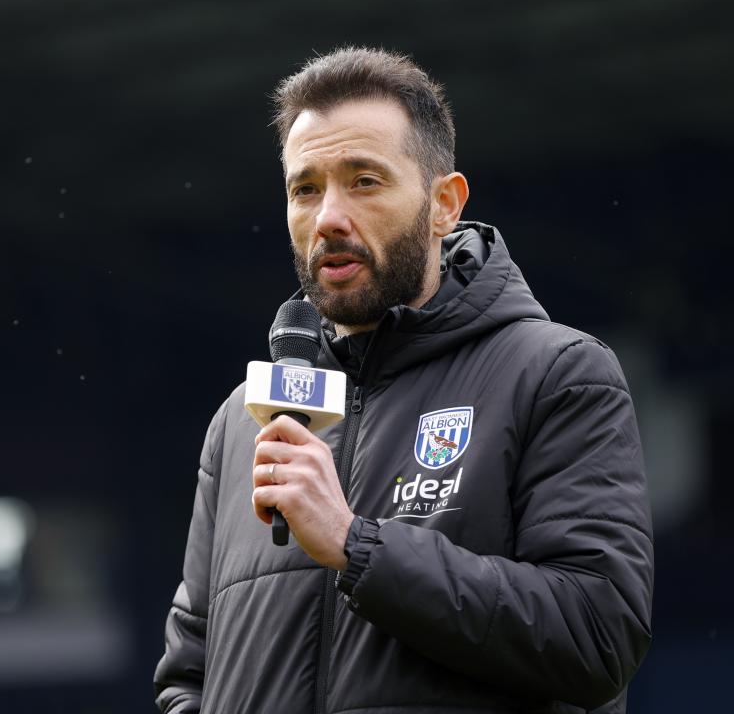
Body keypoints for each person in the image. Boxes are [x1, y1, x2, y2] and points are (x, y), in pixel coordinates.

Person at [154, 47, 654, 714]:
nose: (328, 216)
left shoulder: (557, 374)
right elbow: (187, 675)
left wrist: (356, 546)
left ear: (444, 204)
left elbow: (597, 636)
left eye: (364, 180)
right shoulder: (243, 418)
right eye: (306, 188)